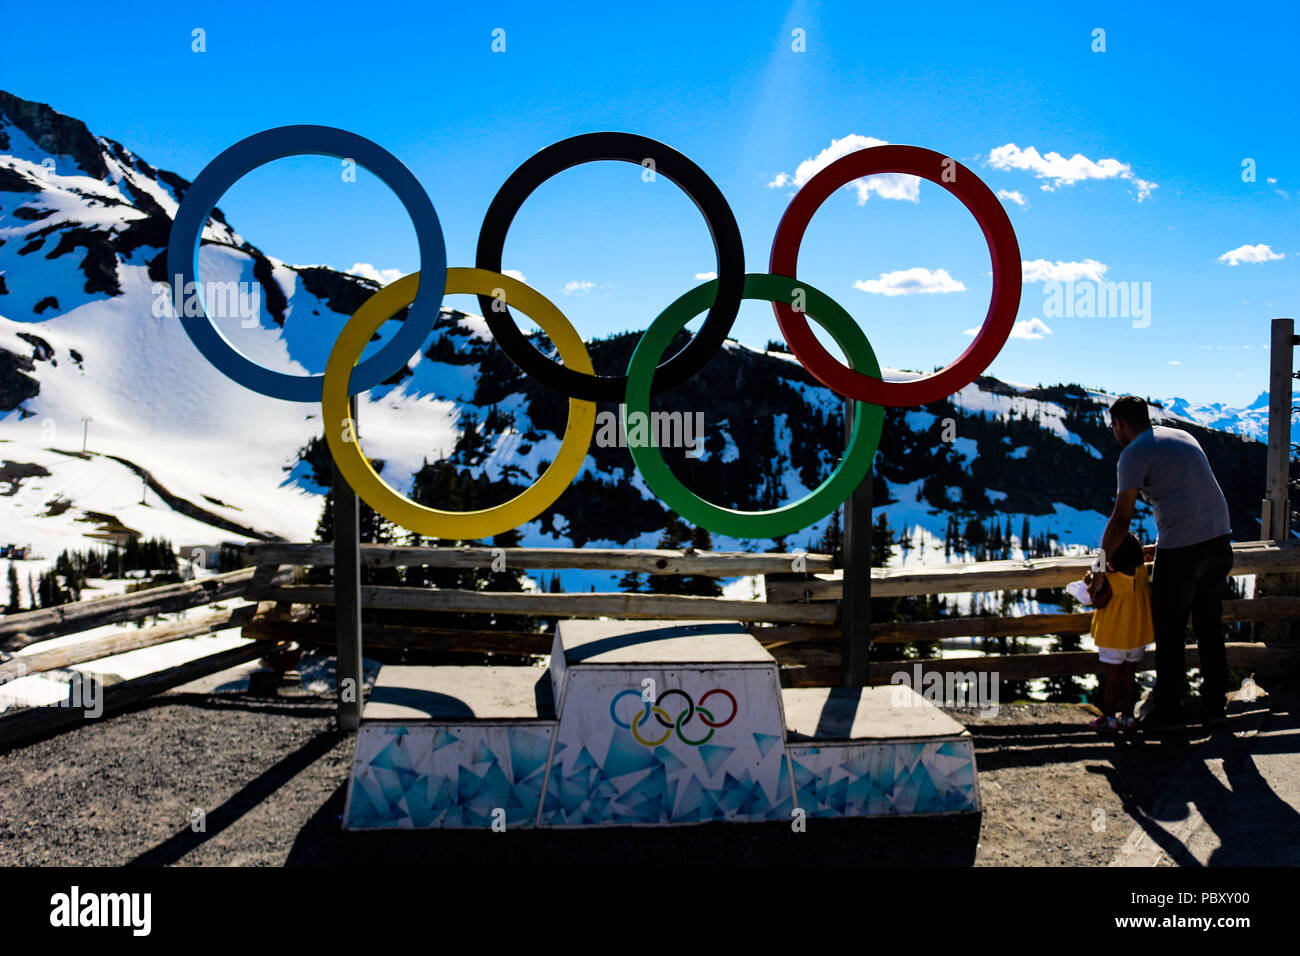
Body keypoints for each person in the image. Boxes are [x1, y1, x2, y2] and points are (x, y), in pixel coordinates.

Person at [1101, 396, 1234, 730]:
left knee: (1170, 630)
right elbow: (1189, 497)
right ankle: (1215, 704)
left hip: (1183, 550)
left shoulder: (1132, 455)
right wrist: (1161, 546)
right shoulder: (1181, 436)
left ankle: (1168, 709)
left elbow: (1121, 519)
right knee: (1209, 624)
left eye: (1113, 426)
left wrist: (1101, 562)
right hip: (1219, 540)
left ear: (1119, 424)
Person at [1087, 532, 1153, 732]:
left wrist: (1093, 577)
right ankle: (1128, 717)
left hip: (1114, 636)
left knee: (1112, 678)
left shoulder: (1111, 581)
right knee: (1129, 676)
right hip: (1136, 636)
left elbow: (1097, 601)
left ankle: (1109, 717)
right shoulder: (1142, 574)